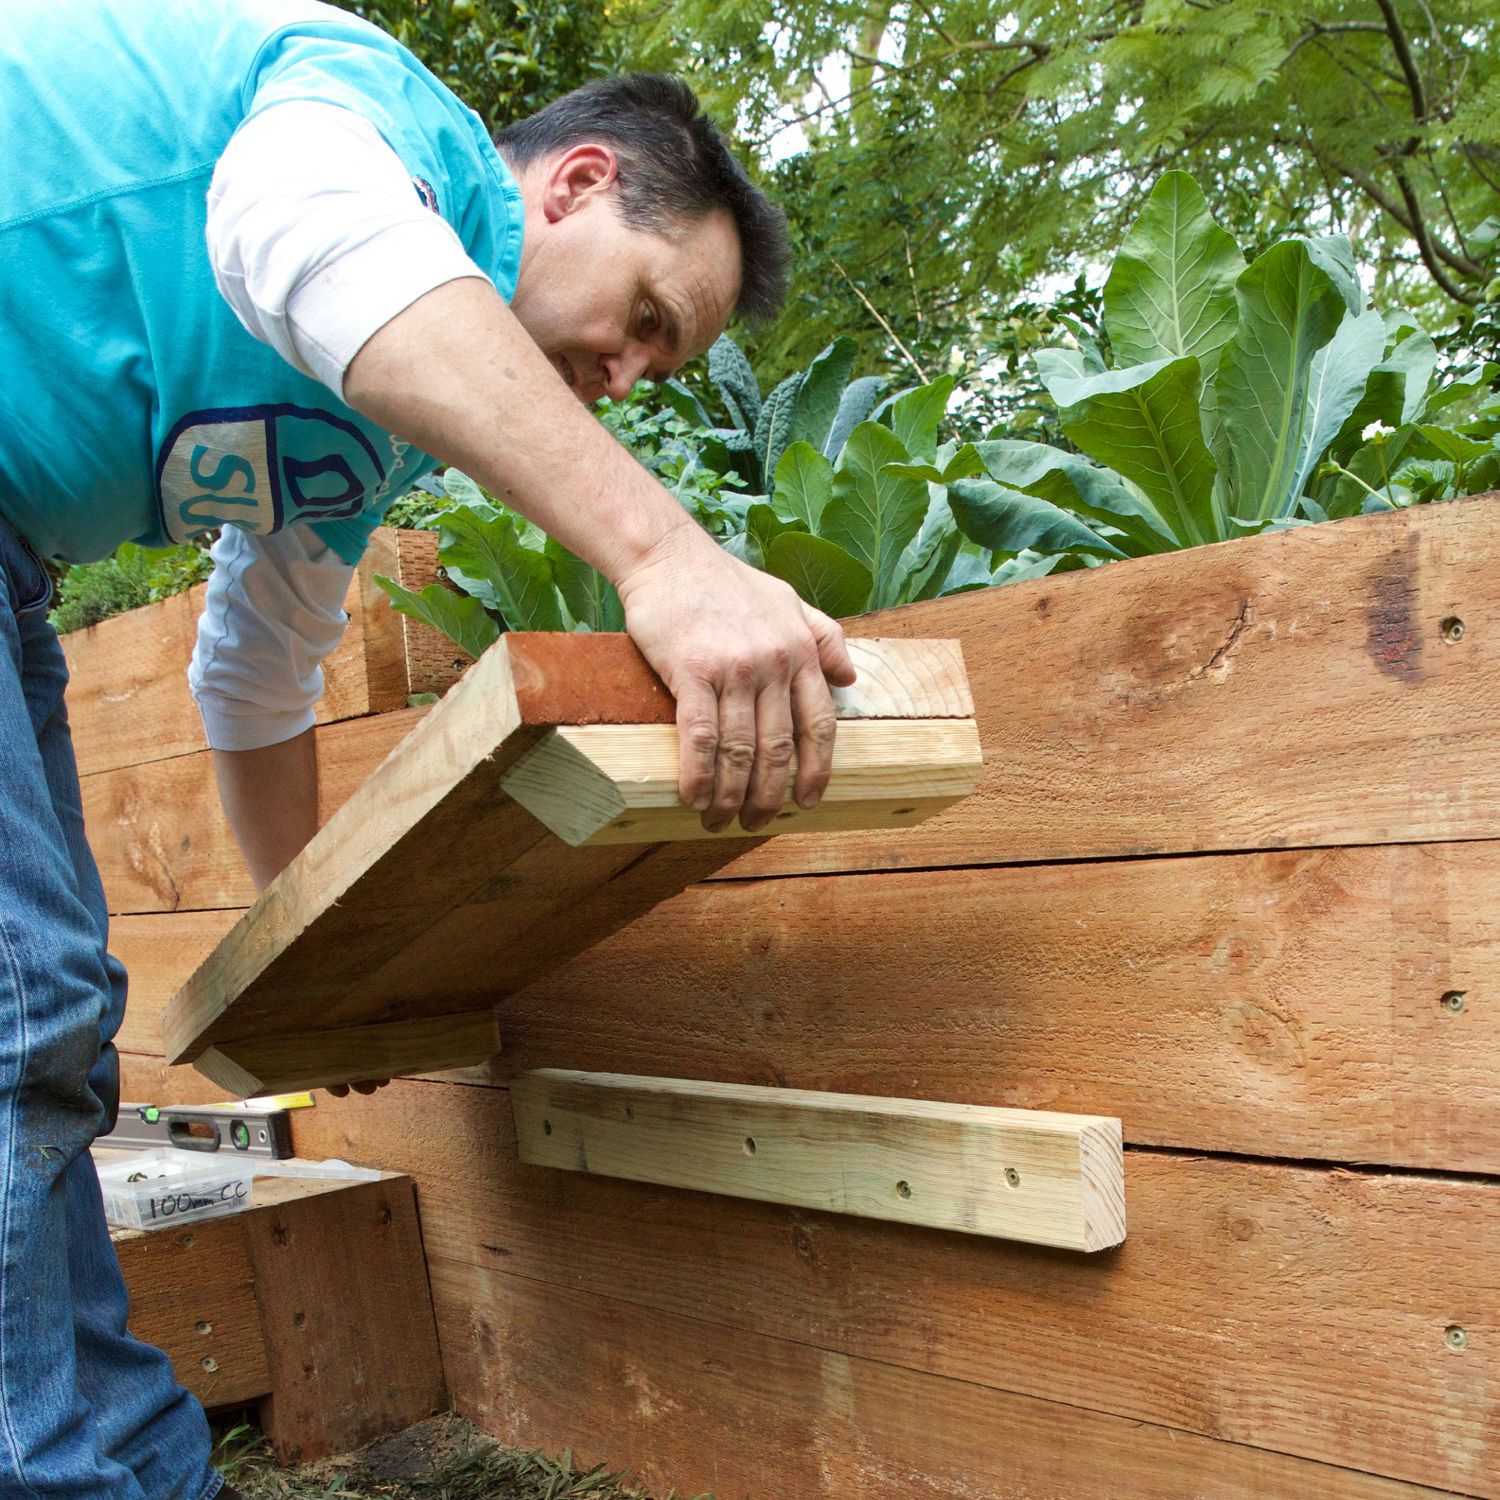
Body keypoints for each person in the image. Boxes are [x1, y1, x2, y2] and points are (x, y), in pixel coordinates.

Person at [0, 2, 855, 1495]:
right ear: (575, 183)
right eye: (649, 316)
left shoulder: (363, 430)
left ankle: (122, 1466)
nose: (634, 376)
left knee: (47, 1020)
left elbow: (258, 671)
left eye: (665, 361)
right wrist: (667, 554)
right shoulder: (366, 103)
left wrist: (334, 976)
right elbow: (305, 226)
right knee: (28, 1000)